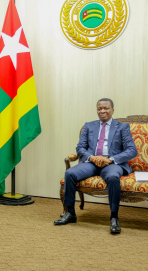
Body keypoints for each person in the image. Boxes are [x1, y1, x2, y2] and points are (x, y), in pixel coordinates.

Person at [54, 98, 137, 234]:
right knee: (70, 173)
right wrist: (92, 157)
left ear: (112, 110)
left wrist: (110, 159)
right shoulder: (89, 126)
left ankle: (114, 217)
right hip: (92, 162)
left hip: (111, 163)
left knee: (112, 176)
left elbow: (132, 150)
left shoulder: (122, 127)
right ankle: (70, 213)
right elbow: (80, 147)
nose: (102, 111)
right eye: (99, 108)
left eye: (106, 108)